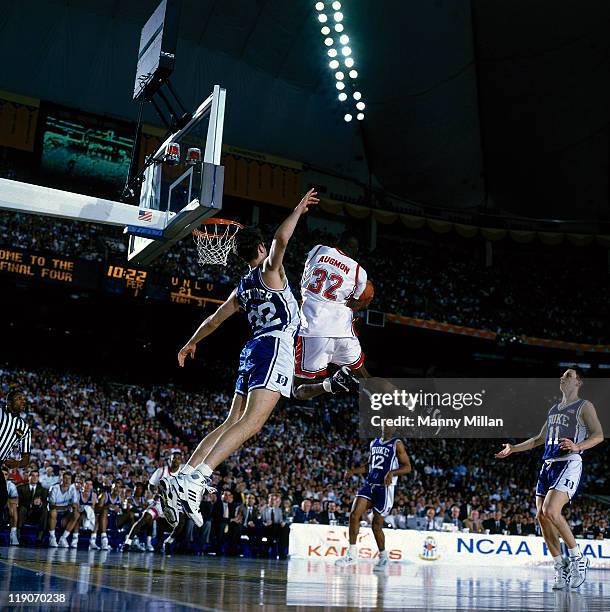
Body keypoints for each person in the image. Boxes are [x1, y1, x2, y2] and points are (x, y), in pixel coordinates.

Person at [160, 190, 335, 528]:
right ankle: (198, 480)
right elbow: (281, 240)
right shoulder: (270, 272)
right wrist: (297, 209)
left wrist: (189, 343)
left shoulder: (242, 287)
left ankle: (184, 475)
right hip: (274, 346)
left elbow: (213, 321)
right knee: (253, 423)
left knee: (231, 421)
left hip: (253, 350)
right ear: (259, 251)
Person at [495, 367, 604, 590]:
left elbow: (599, 435)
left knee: (552, 511)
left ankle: (578, 558)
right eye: (563, 375)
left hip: (568, 462)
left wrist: (578, 446)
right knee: (542, 517)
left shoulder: (584, 406)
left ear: (578, 383)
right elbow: (538, 439)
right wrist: (513, 448)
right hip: (548, 465)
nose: (563, 377)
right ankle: (560, 566)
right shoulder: (554, 409)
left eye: (569, 375)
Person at [292, 233, 370, 400]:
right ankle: (397, 409)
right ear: (355, 252)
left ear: (337, 243)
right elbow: (353, 304)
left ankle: (330, 385)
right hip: (342, 330)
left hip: (314, 328)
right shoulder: (359, 272)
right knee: (365, 376)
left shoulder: (318, 249)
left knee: (297, 389)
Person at [336, 425, 411, 570]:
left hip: (385, 488)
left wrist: (392, 473)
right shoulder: (374, 442)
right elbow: (369, 466)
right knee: (354, 514)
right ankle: (351, 554)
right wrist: (353, 471)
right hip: (370, 484)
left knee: (376, 525)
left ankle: (383, 556)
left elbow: (408, 467)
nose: (387, 426)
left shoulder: (397, 444)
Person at [0, 389, 32, 528]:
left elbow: (26, 459)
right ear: (9, 401)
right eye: (19, 398)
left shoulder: (24, 427)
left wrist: (15, 463)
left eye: (24, 399)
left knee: (2, 497)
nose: (23, 401)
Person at [47, 472, 79, 547]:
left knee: (76, 514)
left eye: (69, 479)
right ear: (62, 479)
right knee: (53, 512)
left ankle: (63, 538)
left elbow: (74, 505)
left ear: (71, 480)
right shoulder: (54, 488)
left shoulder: (72, 489)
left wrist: (74, 509)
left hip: (65, 513)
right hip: (53, 512)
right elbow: (52, 505)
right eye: (65, 478)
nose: (67, 480)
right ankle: (52, 537)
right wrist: (65, 507)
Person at [17, 468, 48, 546]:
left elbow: (46, 503)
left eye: (37, 476)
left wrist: (40, 503)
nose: (35, 478)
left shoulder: (43, 490)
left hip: (36, 514)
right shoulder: (21, 488)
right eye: (33, 476)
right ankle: (17, 536)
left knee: (45, 510)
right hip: (24, 512)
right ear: (28, 477)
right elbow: (19, 502)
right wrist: (32, 503)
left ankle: (39, 538)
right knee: (22, 509)